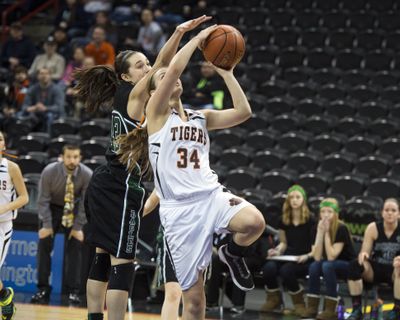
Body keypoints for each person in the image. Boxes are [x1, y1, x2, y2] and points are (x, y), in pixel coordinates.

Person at [117, 25, 265, 319]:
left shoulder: (201, 116)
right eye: (161, 78)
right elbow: (171, 69)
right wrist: (196, 39)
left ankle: (232, 253)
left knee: (255, 223)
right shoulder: (157, 116)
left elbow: (244, 112)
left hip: (210, 196)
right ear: (155, 92)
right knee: (196, 302)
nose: (172, 77)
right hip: (179, 212)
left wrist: (227, 73)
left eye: (171, 75)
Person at [74, 15, 211, 320]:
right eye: (141, 66)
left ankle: (95, 316)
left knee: (102, 256)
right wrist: (183, 37)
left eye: (147, 64)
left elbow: (160, 66)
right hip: (121, 186)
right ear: (125, 77)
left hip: (104, 181)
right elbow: (166, 66)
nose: (148, 69)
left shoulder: (132, 96)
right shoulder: (134, 95)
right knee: (124, 259)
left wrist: (177, 33)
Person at [31, 145, 93, 305]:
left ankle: (74, 291)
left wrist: (78, 227)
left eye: (75, 157)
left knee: (76, 248)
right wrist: (46, 224)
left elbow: (86, 204)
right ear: (62, 157)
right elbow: (43, 200)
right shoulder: (49, 171)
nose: (72, 160)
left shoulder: (87, 174)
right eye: (69, 157)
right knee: (44, 246)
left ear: (80, 158)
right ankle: (43, 288)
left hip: (73, 208)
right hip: (52, 208)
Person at [260, 185, 315, 316]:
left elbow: (315, 249)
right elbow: (283, 243)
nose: (294, 200)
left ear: (303, 200)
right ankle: (274, 299)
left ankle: (299, 304)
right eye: (292, 197)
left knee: (286, 271)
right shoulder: (283, 219)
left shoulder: (311, 220)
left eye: (298, 197)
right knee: (269, 268)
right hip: (288, 256)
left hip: (305, 257)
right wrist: (276, 251)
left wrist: (306, 256)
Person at [301, 198, 356, 320]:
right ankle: (312, 307)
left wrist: (326, 233)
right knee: (314, 266)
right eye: (323, 211)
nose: (326, 215)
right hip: (329, 264)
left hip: (348, 265)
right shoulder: (316, 228)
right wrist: (320, 233)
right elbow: (316, 257)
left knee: (327, 265)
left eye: (329, 212)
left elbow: (331, 256)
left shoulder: (341, 228)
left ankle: (331, 308)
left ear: (336, 213)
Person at [347, 198, 400, 320]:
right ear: (382, 213)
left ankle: (397, 311)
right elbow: (365, 251)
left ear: (399, 213)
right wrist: (364, 255)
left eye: (393, 210)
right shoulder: (373, 228)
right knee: (355, 264)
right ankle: (356, 309)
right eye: (387, 210)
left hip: (395, 270)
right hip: (376, 269)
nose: (390, 213)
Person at [0, 131, 29, 320]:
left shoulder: (11, 167)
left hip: (2, 225)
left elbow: (24, 197)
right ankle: (5, 296)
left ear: (4, 145)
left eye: (0, 138)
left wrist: (4, 208)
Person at [144, 190, 182, 320]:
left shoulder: (204, 176)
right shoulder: (165, 175)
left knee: (193, 298)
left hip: (196, 239)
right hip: (171, 238)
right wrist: (131, 217)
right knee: (173, 293)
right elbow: (151, 201)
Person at [18, 67, 65, 132]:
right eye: (41, 74)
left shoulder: (57, 90)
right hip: (36, 113)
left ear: (50, 76)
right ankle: (24, 139)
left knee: (50, 116)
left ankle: (48, 138)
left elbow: (59, 107)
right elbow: (24, 106)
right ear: (37, 76)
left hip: (52, 114)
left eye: (46, 74)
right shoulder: (33, 89)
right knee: (19, 115)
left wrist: (45, 108)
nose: (44, 76)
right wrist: (33, 107)